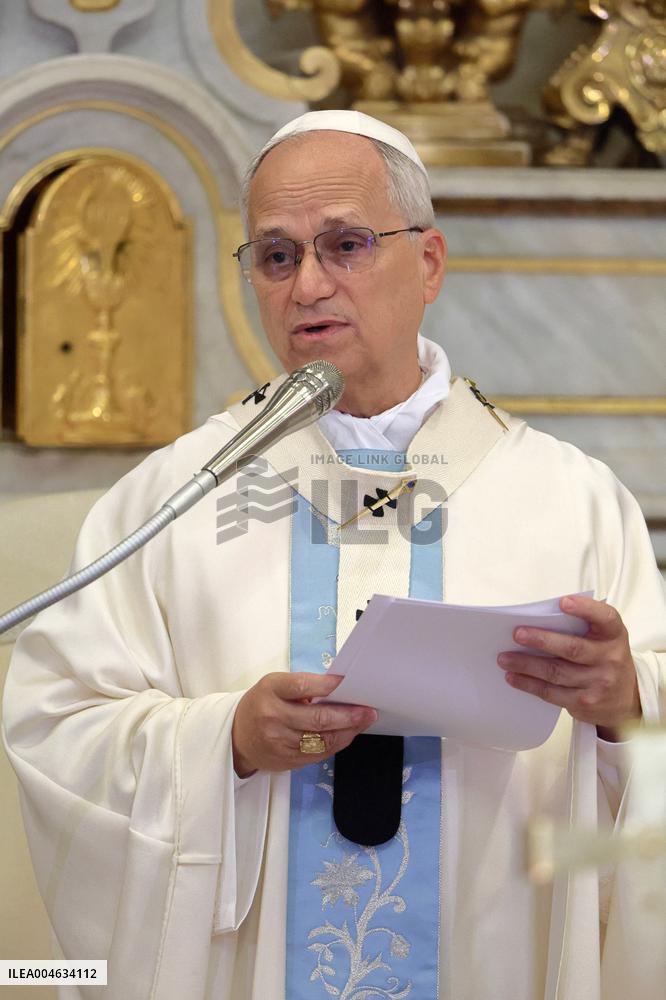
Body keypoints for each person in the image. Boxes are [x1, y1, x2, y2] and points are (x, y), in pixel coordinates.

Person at [2, 110, 665, 1000]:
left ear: (428, 262)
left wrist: (625, 702)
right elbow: (55, 728)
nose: (308, 284)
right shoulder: (176, 496)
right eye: (276, 256)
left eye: (345, 245)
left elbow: (644, 749)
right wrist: (227, 740)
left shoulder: (569, 499)